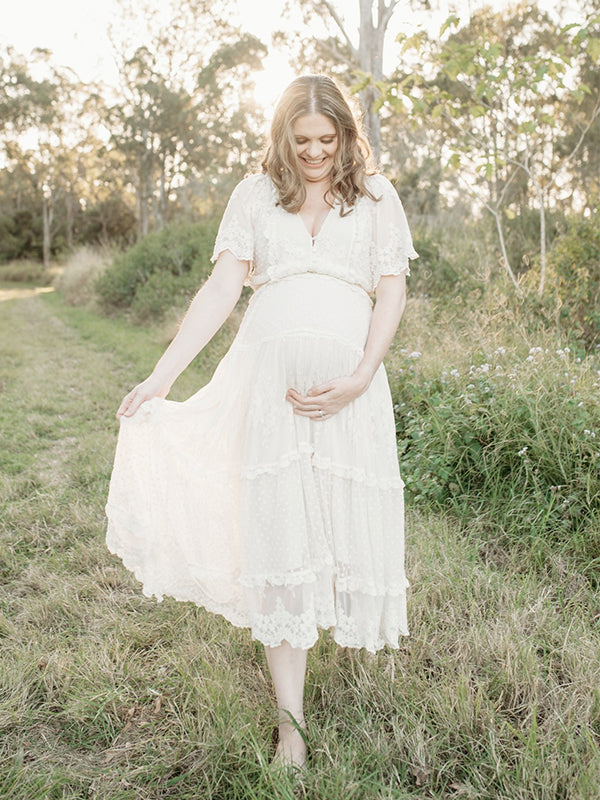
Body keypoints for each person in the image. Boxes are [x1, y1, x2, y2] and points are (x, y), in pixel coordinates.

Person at [105, 73, 417, 771]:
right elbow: (221, 289)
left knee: (332, 533)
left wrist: (363, 373)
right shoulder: (255, 194)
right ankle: (291, 728)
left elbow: (391, 287)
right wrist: (162, 376)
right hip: (266, 389)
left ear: (345, 135)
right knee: (279, 538)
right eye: (301, 140)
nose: (313, 153)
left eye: (326, 140)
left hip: (350, 388)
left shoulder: (374, 196)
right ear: (282, 136)